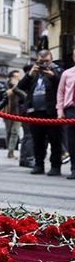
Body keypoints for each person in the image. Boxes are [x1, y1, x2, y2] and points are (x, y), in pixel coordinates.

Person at [18, 49, 64, 176]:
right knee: (37, 140)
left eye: (47, 61)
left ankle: (55, 166)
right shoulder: (34, 72)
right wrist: (30, 74)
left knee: (55, 140)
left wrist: (52, 76)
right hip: (35, 112)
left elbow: (64, 86)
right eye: (41, 62)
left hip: (51, 112)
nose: (44, 64)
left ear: (51, 59)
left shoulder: (58, 70)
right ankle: (39, 165)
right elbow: (20, 87)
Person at [56, 49, 75, 179]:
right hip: (71, 110)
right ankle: (74, 168)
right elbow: (60, 93)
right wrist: (60, 111)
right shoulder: (67, 74)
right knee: (72, 141)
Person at [0, 70, 26, 159]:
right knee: (8, 132)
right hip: (7, 112)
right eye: (16, 76)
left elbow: (24, 96)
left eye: (18, 76)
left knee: (15, 132)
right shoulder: (5, 86)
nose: (18, 78)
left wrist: (15, 88)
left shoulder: (20, 86)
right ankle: (9, 150)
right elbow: (3, 97)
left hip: (18, 113)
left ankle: (11, 151)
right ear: (11, 78)